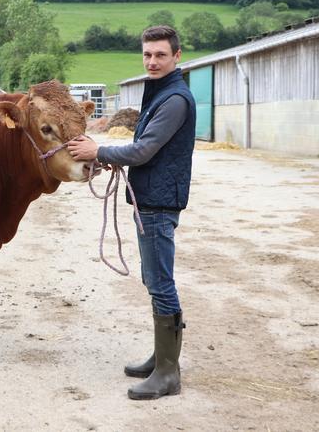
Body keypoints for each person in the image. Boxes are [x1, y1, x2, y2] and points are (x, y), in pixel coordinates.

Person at [67, 25, 196, 400]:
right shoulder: (160, 93)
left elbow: (144, 151)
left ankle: (168, 374)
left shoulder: (174, 99)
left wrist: (99, 152)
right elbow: (142, 146)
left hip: (158, 203)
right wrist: (106, 156)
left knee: (161, 282)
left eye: (160, 55)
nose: (152, 61)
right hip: (151, 199)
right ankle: (161, 358)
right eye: (147, 54)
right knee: (154, 279)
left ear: (177, 56)